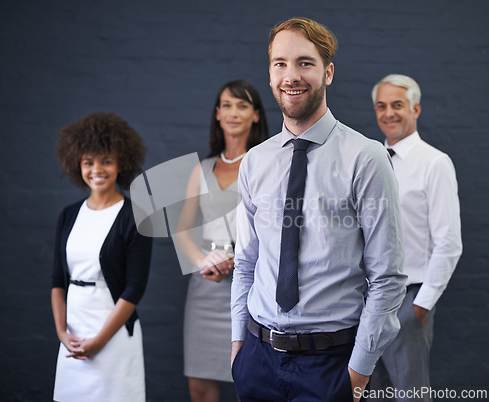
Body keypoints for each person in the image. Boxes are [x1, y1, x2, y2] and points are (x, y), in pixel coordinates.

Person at [230, 17, 407, 402]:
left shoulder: (366, 157)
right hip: (257, 361)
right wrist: (237, 349)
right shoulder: (254, 162)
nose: (291, 75)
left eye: (304, 63)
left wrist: (356, 377)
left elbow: (387, 277)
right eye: (280, 63)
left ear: (327, 72)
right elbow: (246, 263)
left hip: (331, 366)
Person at [368, 74, 462, 401]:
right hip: (367, 298)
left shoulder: (435, 164)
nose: (389, 113)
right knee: (370, 391)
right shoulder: (370, 162)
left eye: (397, 105)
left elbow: (449, 242)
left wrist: (421, 306)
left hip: (409, 297)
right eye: (382, 106)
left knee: (411, 395)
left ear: (415, 109)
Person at [176, 80, 269, 402]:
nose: (233, 112)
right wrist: (203, 261)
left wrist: (239, 260)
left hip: (256, 284)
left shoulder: (268, 163)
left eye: (242, 105)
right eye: (227, 105)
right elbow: (184, 230)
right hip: (206, 286)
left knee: (257, 381)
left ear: (256, 116)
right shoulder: (200, 169)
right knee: (200, 387)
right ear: (217, 114)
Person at [51, 112, 152, 402]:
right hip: (73, 330)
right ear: (77, 165)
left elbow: (135, 288)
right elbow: (58, 280)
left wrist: (99, 342)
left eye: (106, 160)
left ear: (121, 163)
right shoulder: (68, 215)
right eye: (88, 162)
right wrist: (61, 332)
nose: (97, 169)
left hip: (115, 334)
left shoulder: (136, 216)